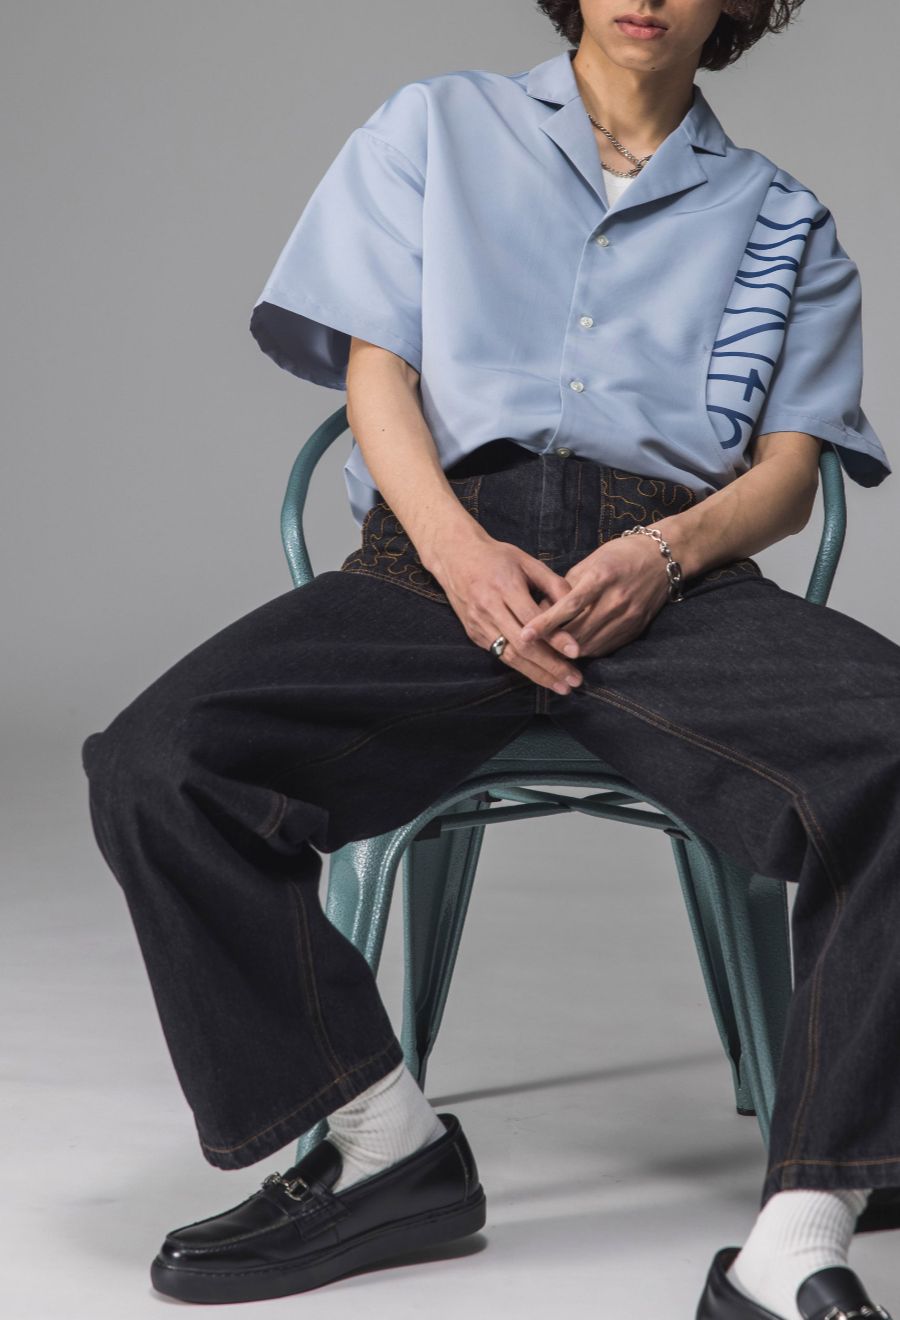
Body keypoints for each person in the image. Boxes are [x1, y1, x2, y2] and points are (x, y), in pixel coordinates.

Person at [79, 2, 900, 1316]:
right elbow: (379, 376)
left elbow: (789, 478)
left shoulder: (782, 219)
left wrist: (667, 555)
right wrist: (457, 552)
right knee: (158, 763)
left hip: (671, 578)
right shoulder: (435, 128)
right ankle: (382, 1146)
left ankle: (799, 1235)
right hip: (436, 558)